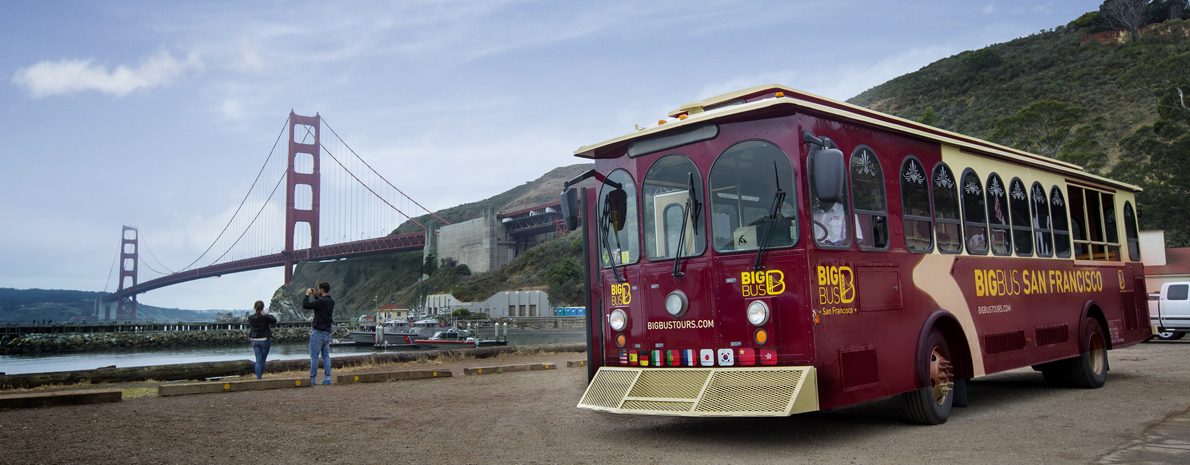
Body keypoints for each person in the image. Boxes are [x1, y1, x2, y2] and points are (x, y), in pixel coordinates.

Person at [303, 282, 335, 385]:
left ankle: (312, 379)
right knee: (326, 355)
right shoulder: (331, 301)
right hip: (327, 331)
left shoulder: (321, 302)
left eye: (319, 289)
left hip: (318, 332)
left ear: (321, 290)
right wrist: (316, 297)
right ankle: (327, 378)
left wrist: (307, 295)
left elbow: (306, 305)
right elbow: (321, 306)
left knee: (314, 356)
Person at [247, 300, 277, 380]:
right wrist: (267, 314)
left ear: (255, 307)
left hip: (255, 340)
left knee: (258, 360)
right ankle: (260, 377)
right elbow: (274, 320)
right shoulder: (265, 317)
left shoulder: (250, 317)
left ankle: (258, 378)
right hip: (264, 339)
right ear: (263, 308)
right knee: (263, 360)